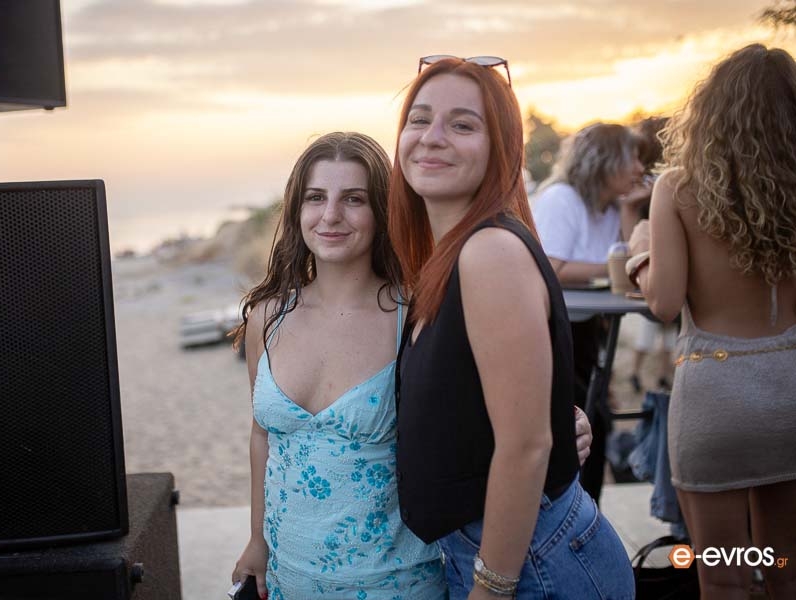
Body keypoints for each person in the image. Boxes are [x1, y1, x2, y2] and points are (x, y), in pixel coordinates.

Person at [229, 132, 594, 599]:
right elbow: (262, 435)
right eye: (315, 197)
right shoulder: (268, 317)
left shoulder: (419, 314)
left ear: (383, 211)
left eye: (354, 199)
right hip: (289, 579)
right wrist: (257, 540)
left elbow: (501, 407)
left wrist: (564, 425)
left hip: (401, 582)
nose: (331, 215)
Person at [389, 56, 634, 599]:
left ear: (500, 148)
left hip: (530, 565)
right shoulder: (445, 255)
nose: (432, 137)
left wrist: (493, 587)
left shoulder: (490, 252)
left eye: (462, 124)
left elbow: (526, 445)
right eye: (419, 119)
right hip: (504, 551)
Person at [629, 44, 796, 599]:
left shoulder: (678, 189)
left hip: (718, 400)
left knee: (723, 578)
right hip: (790, 395)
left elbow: (664, 302)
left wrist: (640, 258)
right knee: (786, 571)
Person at [531, 122, 649, 503]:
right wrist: (612, 269)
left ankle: (589, 509)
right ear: (606, 160)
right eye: (632, 158)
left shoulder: (611, 207)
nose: (639, 168)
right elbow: (551, 267)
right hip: (550, 331)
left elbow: (631, 266)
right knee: (577, 421)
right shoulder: (560, 199)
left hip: (588, 328)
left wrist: (629, 209)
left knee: (595, 421)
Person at [628, 116, 676, 393]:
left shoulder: (659, 182)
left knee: (663, 328)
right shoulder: (656, 183)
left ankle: (659, 373)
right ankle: (644, 372)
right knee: (658, 326)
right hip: (650, 255)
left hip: (648, 257)